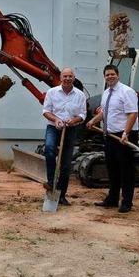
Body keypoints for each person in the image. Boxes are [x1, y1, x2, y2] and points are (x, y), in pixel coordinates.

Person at [86, 64, 139, 213]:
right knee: (112, 168)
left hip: (124, 135)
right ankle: (112, 199)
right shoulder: (106, 93)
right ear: (104, 77)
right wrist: (93, 121)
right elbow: (104, 113)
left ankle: (127, 202)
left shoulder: (126, 92)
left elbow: (133, 114)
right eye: (107, 75)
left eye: (112, 74)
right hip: (110, 135)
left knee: (126, 170)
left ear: (118, 75)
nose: (110, 77)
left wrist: (126, 133)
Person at [41, 67, 86, 206]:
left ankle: (61, 195)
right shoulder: (52, 92)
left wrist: (73, 120)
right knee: (49, 149)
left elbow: (82, 115)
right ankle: (51, 181)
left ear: (74, 78)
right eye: (65, 76)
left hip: (70, 129)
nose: (67, 79)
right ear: (60, 78)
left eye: (70, 76)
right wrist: (56, 120)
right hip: (53, 127)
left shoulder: (80, 95)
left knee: (66, 164)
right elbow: (46, 111)